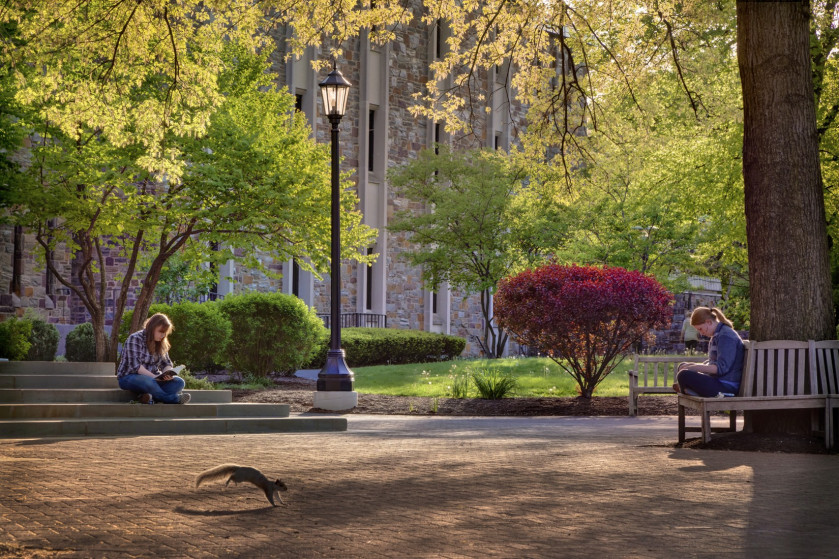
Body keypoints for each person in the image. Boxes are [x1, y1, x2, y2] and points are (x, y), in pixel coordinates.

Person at [117, 313, 191, 404]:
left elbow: (167, 363)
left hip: (154, 379)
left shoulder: (161, 342)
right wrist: (154, 377)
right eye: (160, 331)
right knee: (148, 381)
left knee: (179, 382)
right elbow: (136, 367)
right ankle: (174, 399)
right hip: (129, 377)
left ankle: (146, 397)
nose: (163, 335)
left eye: (165, 332)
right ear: (152, 328)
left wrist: (167, 374)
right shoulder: (135, 338)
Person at [673, 307, 744, 398]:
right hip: (717, 381)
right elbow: (712, 362)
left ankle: (689, 389)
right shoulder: (717, 335)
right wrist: (691, 365)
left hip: (727, 386)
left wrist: (693, 368)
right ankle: (689, 389)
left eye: (700, 329)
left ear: (709, 322)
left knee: (683, 375)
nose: (701, 333)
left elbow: (721, 368)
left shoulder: (726, 336)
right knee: (682, 366)